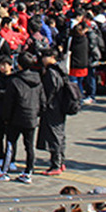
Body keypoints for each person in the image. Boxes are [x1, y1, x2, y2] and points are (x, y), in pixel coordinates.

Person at [2, 51, 45, 184]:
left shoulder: (14, 80)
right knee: (29, 146)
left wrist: (6, 117)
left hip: (16, 117)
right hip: (31, 117)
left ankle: (4, 171)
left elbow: (8, 102)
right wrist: (37, 112)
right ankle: (28, 172)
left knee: (10, 144)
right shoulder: (38, 79)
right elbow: (43, 100)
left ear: (18, 64)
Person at [37, 47, 67, 175]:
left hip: (53, 108)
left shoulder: (51, 72)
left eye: (45, 56)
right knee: (59, 134)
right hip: (61, 107)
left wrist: (43, 105)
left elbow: (49, 92)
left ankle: (56, 165)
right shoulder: (61, 69)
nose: (43, 59)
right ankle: (61, 162)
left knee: (54, 136)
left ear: (52, 58)